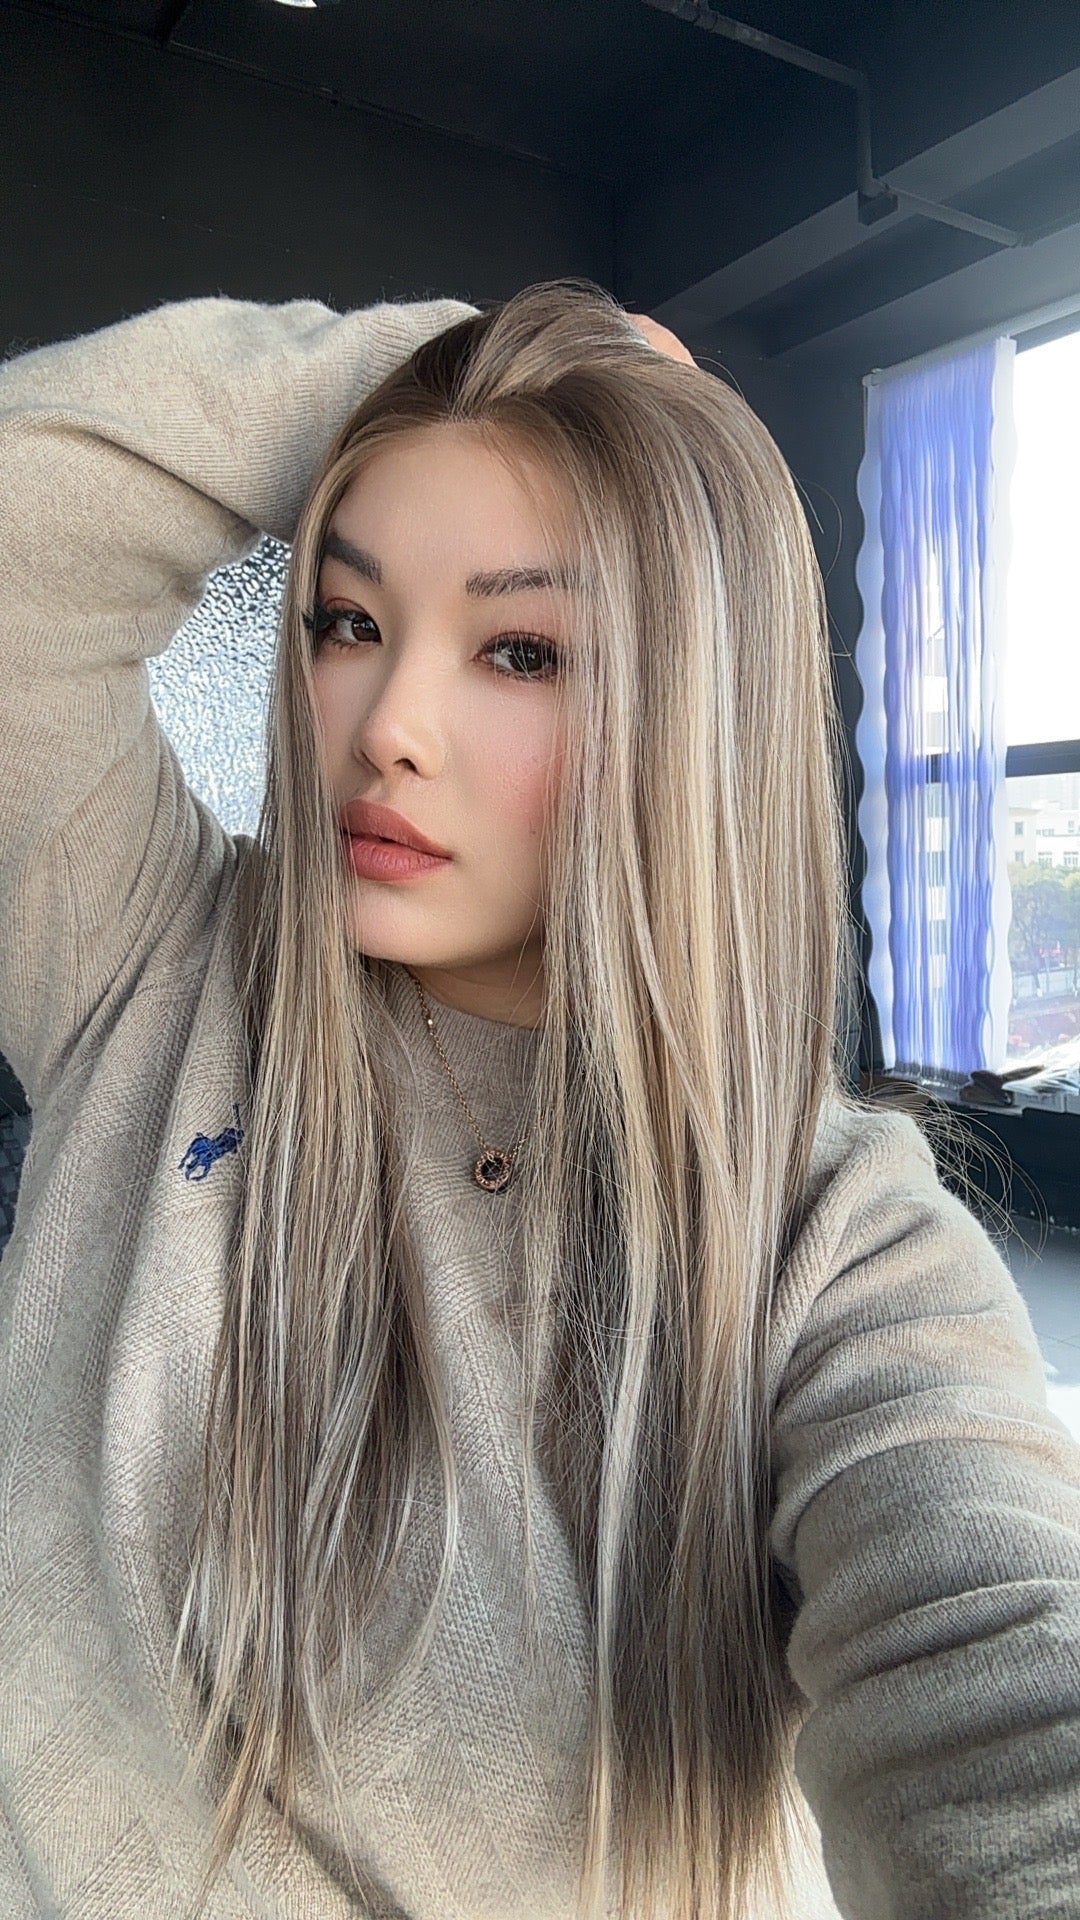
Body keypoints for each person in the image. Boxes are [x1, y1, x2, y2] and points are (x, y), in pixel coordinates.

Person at [0, 279, 1077, 1920]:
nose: (388, 729)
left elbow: (993, 1657)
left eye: (520, 650)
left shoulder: (825, 1238)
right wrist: (469, 366)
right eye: (348, 622)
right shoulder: (147, 962)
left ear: (686, 706)